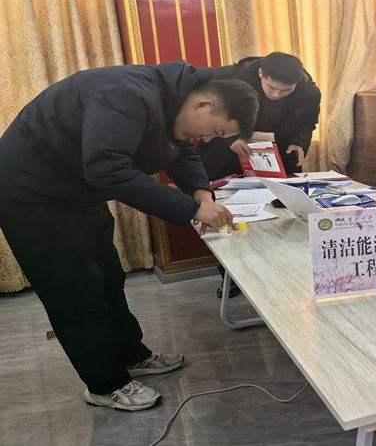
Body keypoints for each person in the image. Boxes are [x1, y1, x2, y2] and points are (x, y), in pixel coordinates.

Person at [0, 62, 258, 411]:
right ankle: (104, 384)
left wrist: (202, 195)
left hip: (76, 192)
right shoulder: (127, 94)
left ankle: (131, 356)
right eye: (215, 129)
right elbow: (107, 169)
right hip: (31, 194)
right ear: (204, 104)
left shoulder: (172, 100)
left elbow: (181, 152)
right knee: (75, 291)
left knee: (108, 278)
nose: (209, 139)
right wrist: (191, 210)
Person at [197, 51, 321, 178]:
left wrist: (299, 143)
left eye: (286, 90)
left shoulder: (309, 93)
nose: (276, 95)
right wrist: (231, 139)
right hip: (226, 153)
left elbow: (308, 123)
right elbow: (211, 117)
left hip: (279, 153)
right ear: (260, 73)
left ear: (297, 83)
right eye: (271, 87)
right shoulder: (232, 79)